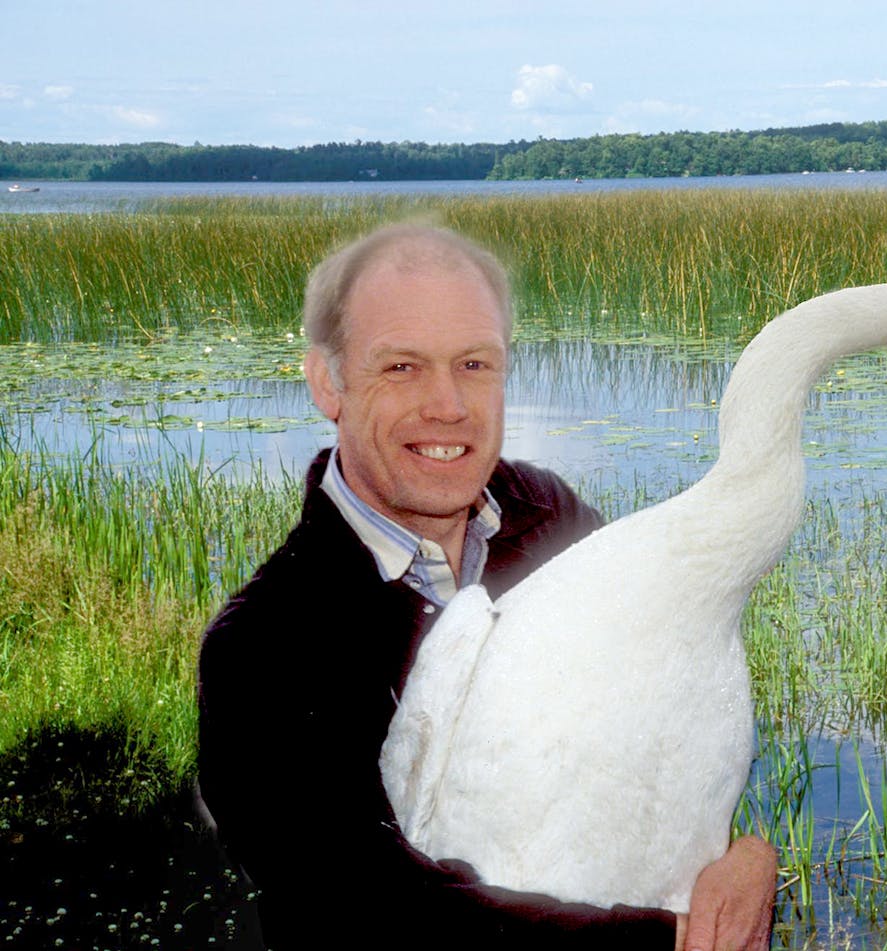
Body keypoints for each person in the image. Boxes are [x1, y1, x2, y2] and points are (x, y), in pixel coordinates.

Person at [197, 223, 778, 949]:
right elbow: (368, 907)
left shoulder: (552, 518)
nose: (448, 405)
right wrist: (667, 939)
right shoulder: (263, 646)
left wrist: (749, 856)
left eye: (474, 363)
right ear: (328, 383)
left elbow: (662, 734)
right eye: (401, 367)